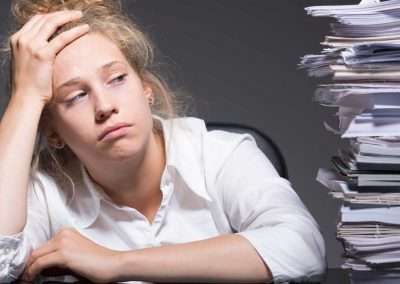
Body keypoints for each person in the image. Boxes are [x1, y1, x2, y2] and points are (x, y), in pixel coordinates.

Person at [0, 0, 326, 283]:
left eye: (116, 79)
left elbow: (302, 247)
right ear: (52, 130)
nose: (105, 106)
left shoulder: (222, 155)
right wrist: (26, 96)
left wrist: (117, 263)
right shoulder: (43, 190)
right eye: (76, 96)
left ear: (146, 89)